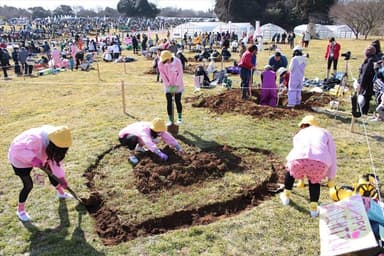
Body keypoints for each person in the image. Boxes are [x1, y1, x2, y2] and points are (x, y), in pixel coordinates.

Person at [8, 125, 74, 222]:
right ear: (52, 145)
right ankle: (20, 210)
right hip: (20, 160)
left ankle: (61, 193)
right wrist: (33, 158)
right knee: (28, 185)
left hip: (41, 156)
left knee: (53, 174)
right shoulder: (35, 139)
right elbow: (17, 149)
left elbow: (56, 162)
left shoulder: (57, 141)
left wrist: (62, 178)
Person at [279, 115, 337, 217]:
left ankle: (286, 197)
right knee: (314, 182)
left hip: (298, 159)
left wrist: (299, 174)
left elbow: (296, 150)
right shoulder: (325, 132)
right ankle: (313, 210)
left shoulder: (300, 133)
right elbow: (332, 154)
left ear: (303, 125)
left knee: (291, 172)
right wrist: (330, 178)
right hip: (319, 163)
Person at [118, 118, 182, 165]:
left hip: (137, 134)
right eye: (158, 131)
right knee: (133, 138)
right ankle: (132, 156)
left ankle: (139, 147)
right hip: (124, 137)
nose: (160, 133)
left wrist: (177, 146)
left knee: (153, 139)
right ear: (154, 129)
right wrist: (159, 153)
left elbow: (168, 137)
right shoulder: (144, 130)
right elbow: (148, 142)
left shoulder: (158, 128)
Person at [158, 50, 184, 125]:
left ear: (170, 58)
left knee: (177, 100)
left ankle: (179, 118)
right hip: (168, 85)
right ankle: (170, 120)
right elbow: (163, 75)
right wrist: (169, 87)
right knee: (169, 101)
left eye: (166, 60)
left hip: (178, 84)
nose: (165, 62)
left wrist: (175, 87)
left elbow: (180, 74)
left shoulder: (177, 62)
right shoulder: (161, 63)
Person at [357, 45, 376, 115]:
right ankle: (363, 111)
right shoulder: (371, 60)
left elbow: (365, 74)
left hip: (366, 85)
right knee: (366, 98)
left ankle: (362, 112)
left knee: (364, 98)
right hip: (369, 84)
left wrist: (361, 86)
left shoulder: (369, 61)